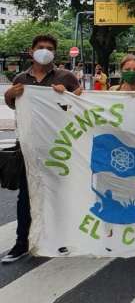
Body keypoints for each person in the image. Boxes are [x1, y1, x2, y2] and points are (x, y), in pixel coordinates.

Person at [2, 34, 81, 264]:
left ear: (54, 53)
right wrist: (10, 95)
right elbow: (13, 103)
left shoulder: (65, 76)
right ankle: (21, 243)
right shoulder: (21, 77)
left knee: (59, 195)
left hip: (59, 147)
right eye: (40, 47)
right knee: (26, 196)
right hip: (29, 148)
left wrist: (65, 94)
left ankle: (60, 239)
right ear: (32, 50)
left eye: (49, 48)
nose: (44, 51)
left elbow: (79, 100)